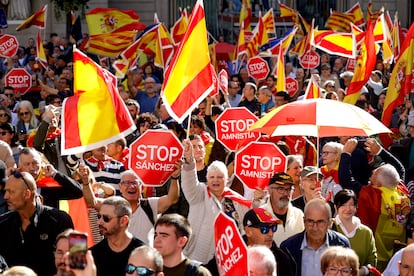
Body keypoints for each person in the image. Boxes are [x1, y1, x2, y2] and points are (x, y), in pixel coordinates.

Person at [181, 139, 252, 274]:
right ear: (207, 179)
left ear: (226, 180)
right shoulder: (199, 193)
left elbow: (247, 225)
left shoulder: (236, 200)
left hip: (229, 261)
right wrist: (189, 160)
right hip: (199, 260)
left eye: (220, 177)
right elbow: (189, 180)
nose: (215, 180)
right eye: (212, 177)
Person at [0, 170, 73, 276]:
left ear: (27, 194)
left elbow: (79, 256)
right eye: (5, 191)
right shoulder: (2, 223)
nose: (5, 196)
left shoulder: (61, 219)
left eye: (11, 192)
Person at [82, 167, 179, 245]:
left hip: (144, 263)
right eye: (127, 183)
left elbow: (172, 199)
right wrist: (86, 183)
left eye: (135, 183)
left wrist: (174, 177)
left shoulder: (150, 205)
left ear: (141, 187)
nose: (131, 186)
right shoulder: (112, 205)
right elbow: (92, 202)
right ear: (120, 187)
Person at [357, 163, 410, 271]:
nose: (370, 177)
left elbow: (346, 180)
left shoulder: (373, 195)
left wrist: (346, 154)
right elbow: (400, 170)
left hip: (377, 254)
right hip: (397, 253)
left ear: (377, 183)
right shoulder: (402, 193)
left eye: (373, 175)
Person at [280, 198, 350, 276]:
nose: (315, 228)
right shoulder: (288, 248)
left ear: (329, 223)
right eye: (310, 221)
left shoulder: (341, 245)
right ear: (304, 221)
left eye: (320, 222)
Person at [90, 196, 145, 276]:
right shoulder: (93, 254)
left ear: (123, 221)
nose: (99, 222)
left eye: (106, 218)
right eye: (99, 217)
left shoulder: (142, 254)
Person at [18, 147, 83, 208]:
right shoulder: (15, 183)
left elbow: (78, 192)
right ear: (20, 166)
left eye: (35, 163)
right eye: (27, 164)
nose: (31, 168)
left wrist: (55, 174)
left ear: (41, 163)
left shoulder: (50, 183)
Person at [332, 190, 377, 274]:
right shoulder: (329, 227)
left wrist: (360, 272)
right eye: (343, 205)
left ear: (356, 206)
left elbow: (372, 261)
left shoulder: (366, 232)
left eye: (351, 205)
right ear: (335, 207)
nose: (348, 209)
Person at [243, 208, 295, 276]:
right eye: (264, 229)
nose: (271, 234)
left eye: (273, 227)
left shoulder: (281, 258)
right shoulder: (234, 255)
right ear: (248, 231)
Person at [260, 172, 305, 246]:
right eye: (280, 189)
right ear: (269, 190)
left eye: (289, 189)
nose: (285, 193)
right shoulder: (260, 214)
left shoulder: (299, 215)